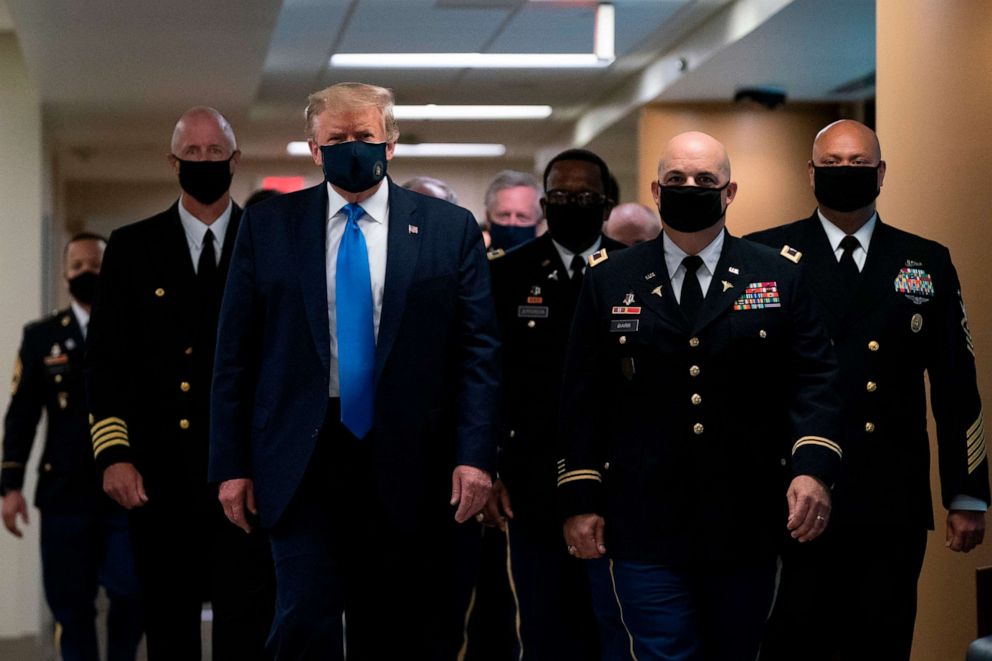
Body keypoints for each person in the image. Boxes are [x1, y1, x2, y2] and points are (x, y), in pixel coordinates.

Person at [209, 82, 500, 660]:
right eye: (336, 138)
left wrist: (475, 456)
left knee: (394, 622)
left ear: (390, 142)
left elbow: (478, 354)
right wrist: (230, 465)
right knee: (303, 616)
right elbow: (235, 355)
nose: (351, 147)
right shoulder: (269, 228)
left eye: (364, 136)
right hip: (301, 454)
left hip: (410, 456)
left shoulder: (448, 228)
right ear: (313, 150)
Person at [558, 131, 843, 661]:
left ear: (729, 192)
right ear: (656, 190)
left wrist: (813, 468)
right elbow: (582, 397)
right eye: (676, 180)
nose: (690, 188)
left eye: (705, 180)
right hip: (643, 521)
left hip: (747, 518)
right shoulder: (610, 279)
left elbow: (815, 381)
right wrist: (580, 499)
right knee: (664, 652)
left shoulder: (777, 275)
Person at [748, 119, 989, 661]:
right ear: (810, 174)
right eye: (832, 165)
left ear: (880, 174)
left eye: (858, 165)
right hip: (791, 490)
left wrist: (966, 492)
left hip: (889, 494)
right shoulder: (765, 256)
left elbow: (955, 382)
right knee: (791, 639)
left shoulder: (924, 260)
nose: (845, 174)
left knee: (881, 639)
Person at [84, 107, 274, 660]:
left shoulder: (267, 243)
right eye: (192, 153)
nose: (204, 162)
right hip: (160, 476)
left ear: (235, 160)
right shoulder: (131, 247)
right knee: (168, 627)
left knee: (248, 628)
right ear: (173, 162)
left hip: (248, 475)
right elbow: (106, 362)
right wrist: (113, 453)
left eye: (215, 152)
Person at [482, 148, 624, 659]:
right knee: (544, 626)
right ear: (546, 202)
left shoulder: (632, 273)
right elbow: (488, 379)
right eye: (561, 195)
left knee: (613, 625)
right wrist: (488, 464)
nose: (573, 204)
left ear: (606, 204)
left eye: (585, 196)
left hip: (616, 481)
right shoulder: (506, 274)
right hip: (529, 478)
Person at [2, 233, 143, 661]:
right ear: (65, 275)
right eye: (78, 266)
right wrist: (10, 486)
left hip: (128, 492)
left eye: (96, 265)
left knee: (133, 593)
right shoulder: (41, 337)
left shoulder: (136, 329)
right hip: (64, 494)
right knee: (70, 605)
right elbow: (22, 414)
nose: (87, 274)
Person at [484, 170, 543, 251]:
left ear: (539, 224)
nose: (512, 223)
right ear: (488, 219)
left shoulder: (555, 262)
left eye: (522, 217)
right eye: (504, 216)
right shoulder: (473, 262)